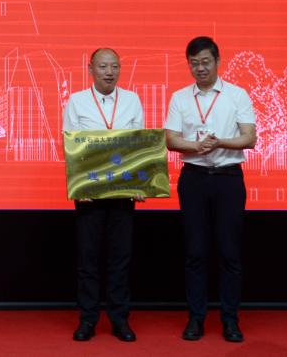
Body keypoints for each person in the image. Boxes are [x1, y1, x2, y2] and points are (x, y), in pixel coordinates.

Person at [165, 36, 257, 344]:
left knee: (230, 252)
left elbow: (249, 138)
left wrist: (218, 143)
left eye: (205, 62)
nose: (200, 68)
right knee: (195, 252)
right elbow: (171, 140)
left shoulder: (237, 95)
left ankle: (230, 320)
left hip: (228, 179)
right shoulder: (180, 98)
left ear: (217, 61)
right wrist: (196, 147)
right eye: (194, 63)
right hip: (193, 179)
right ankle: (196, 319)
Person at [62, 48, 145, 342]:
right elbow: (71, 145)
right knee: (88, 261)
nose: (109, 72)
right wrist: (79, 186)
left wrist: (140, 183)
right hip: (90, 193)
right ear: (91, 69)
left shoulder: (132, 100)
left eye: (114, 66)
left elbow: (138, 145)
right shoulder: (77, 101)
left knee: (120, 259)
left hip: (123, 192)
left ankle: (120, 320)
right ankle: (88, 320)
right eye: (103, 66)